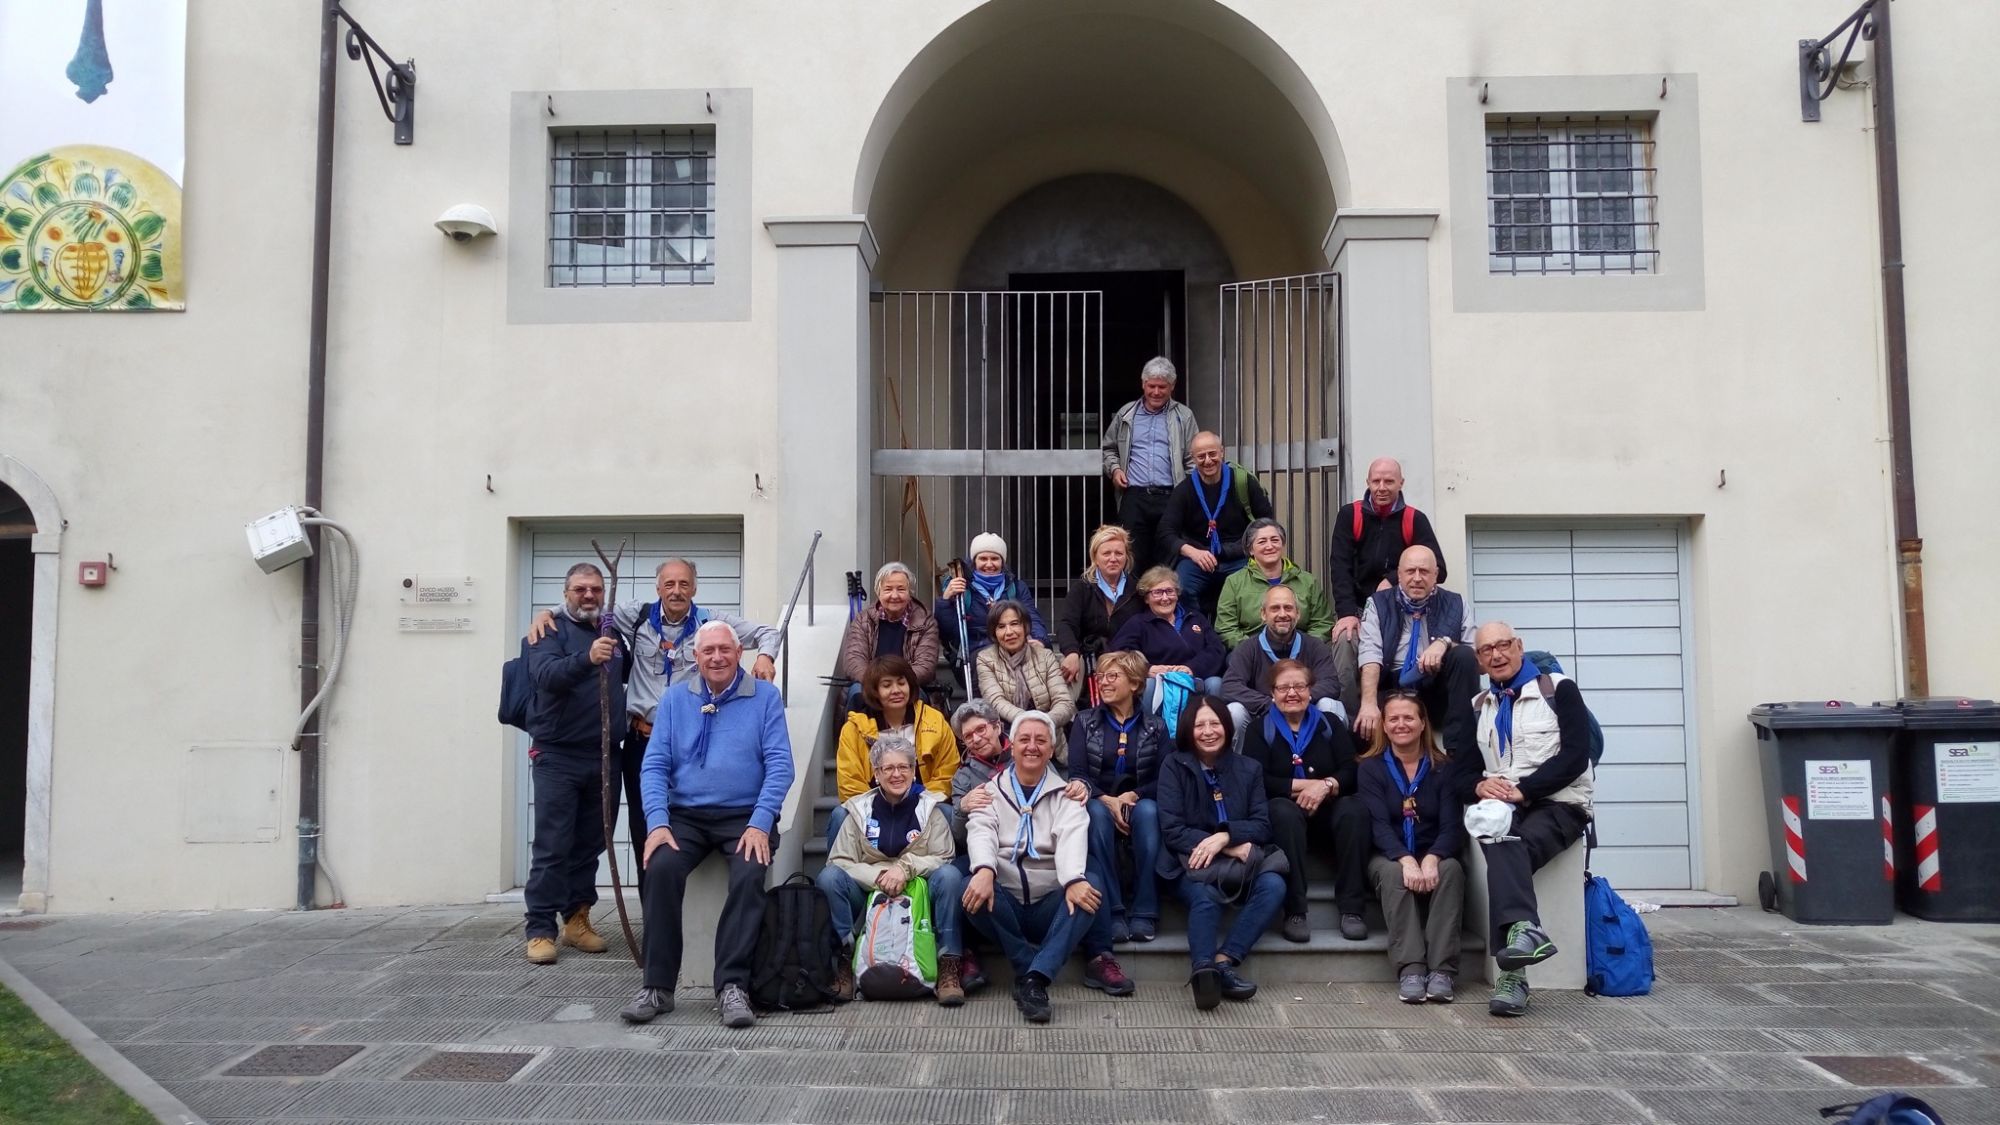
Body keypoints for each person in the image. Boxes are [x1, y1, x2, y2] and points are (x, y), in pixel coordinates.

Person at [527, 558, 779, 868]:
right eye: (669, 584)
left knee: (686, 821)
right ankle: (652, 910)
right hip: (642, 739)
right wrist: (548, 612)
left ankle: (686, 907)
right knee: (645, 825)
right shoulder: (635, 616)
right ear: (657, 587)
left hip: (689, 740)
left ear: (695, 588)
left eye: (684, 584)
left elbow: (769, 632)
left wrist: (766, 656)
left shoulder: (710, 621)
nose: (676, 591)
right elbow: (584, 604)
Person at [622, 622, 796, 1028]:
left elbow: (780, 766)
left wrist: (759, 822)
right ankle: (658, 986)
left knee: (750, 873)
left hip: (744, 815)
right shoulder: (675, 699)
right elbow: (654, 765)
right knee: (660, 868)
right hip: (685, 815)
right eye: (708, 651)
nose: (716, 657)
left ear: (739, 653)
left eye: (725, 650)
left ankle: (733, 986)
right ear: (695, 657)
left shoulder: (765, 697)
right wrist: (657, 823)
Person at [1460, 622, 1595, 1019]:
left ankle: (1512, 978)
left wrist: (1526, 790)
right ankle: (1524, 935)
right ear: (1479, 660)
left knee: (1507, 846)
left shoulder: (1558, 689)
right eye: (1487, 650)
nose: (1496, 655)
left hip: (1560, 804)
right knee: (1499, 839)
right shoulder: (1480, 705)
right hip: (1507, 807)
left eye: (1503, 645)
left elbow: (1575, 756)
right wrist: (1478, 788)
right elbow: (1464, 769)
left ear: (1520, 647)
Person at [962, 711, 1114, 1024]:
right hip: (1005, 904)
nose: (1032, 746)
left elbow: (1072, 838)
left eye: (1041, 740)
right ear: (1012, 745)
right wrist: (985, 870)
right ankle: (1030, 967)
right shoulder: (988, 793)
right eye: (1025, 739)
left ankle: (1034, 979)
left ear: (1051, 748)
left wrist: (1073, 880)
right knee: (967, 889)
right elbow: (981, 830)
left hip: (1050, 905)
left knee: (1090, 887)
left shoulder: (1068, 795)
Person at [521, 563, 627, 964]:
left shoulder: (612, 630)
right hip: (558, 755)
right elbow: (545, 675)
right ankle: (539, 929)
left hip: (603, 756)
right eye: (580, 589)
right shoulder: (548, 630)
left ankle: (577, 920)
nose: (589, 596)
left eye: (595, 589)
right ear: (565, 592)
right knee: (553, 845)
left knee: (591, 842)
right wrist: (586, 658)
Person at [817, 733, 967, 1006]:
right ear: (876, 774)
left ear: (913, 771)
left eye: (904, 767)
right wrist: (879, 877)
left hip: (920, 890)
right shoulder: (859, 810)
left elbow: (944, 857)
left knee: (951, 876)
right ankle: (844, 961)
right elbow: (838, 861)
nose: (897, 774)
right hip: (871, 892)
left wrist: (905, 869)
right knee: (828, 879)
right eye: (888, 768)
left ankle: (949, 965)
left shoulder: (930, 808)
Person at [1156, 695, 1286, 1010]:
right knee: (1205, 896)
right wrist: (1225, 843)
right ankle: (1203, 972)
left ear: (1227, 727)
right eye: (1200, 725)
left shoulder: (1249, 768)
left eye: (1215, 723)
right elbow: (1172, 829)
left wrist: (1225, 836)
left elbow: (1261, 824)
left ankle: (1224, 962)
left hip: (1238, 865)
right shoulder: (1174, 765)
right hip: (1188, 864)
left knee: (1274, 885)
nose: (1208, 731)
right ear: (1188, 730)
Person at [1244, 660, 1372, 943]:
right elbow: (1255, 779)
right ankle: (1295, 911)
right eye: (1284, 687)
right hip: (1285, 822)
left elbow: (1350, 770)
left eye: (1299, 686)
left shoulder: (1330, 724)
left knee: (1355, 810)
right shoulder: (1258, 729)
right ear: (1273, 693)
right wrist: (1306, 786)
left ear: (1310, 691)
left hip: (1328, 816)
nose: (1292, 693)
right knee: (1281, 810)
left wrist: (1326, 786)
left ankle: (1352, 909)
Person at [1357, 692, 1465, 1004]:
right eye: (1393, 718)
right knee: (1392, 874)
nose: (1401, 724)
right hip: (1388, 855)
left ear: (1422, 724)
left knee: (1452, 870)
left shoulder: (1443, 768)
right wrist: (1405, 859)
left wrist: (1432, 858)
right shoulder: (1370, 769)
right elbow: (1378, 825)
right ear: (1384, 726)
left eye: (1408, 718)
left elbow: (1451, 826)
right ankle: (1412, 968)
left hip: (1433, 850)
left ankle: (1442, 969)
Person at [1326, 459, 1447, 718]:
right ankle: (1350, 722)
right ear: (1367, 482)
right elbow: (1339, 567)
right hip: (1358, 610)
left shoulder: (1414, 519)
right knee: (1345, 647)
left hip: (1399, 611)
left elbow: (1439, 568)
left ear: (1401, 483)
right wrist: (1346, 613)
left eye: (1389, 481)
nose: (1382, 487)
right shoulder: (1351, 515)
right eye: (1376, 481)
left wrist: (1392, 580)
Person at [1068, 650, 1170, 943]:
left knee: (1150, 813)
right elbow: (1077, 774)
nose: (1103, 682)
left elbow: (1164, 778)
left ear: (1135, 684)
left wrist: (1134, 795)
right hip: (1098, 801)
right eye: (1101, 676)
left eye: (1113, 676)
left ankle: (1144, 911)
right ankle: (1112, 911)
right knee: (1096, 815)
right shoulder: (1084, 722)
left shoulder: (1156, 726)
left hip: (1140, 801)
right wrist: (1108, 800)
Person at [1353, 546, 1479, 760]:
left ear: (1436, 575)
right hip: (1394, 686)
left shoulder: (1457, 603)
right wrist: (1368, 703)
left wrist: (1445, 643)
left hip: (1436, 686)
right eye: (1411, 571)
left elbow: (1478, 658)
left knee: (1464, 655)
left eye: (1424, 571)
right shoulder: (1377, 603)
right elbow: (1370, 653)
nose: (1417, 578)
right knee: (1361, 725)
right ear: (1399, 575)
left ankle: (1458, 752)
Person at [831, 656, 959, 846]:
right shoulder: (854, 729)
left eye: (901, 683)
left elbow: (947, 771)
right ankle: (842, 870)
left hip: (923, 804)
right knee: (839, 815)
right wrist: (879, 807)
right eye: (887, 685)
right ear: (875, 691)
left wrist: (919, 801)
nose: (896, 690)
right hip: (873, 809)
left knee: (947, 813)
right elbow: (850, 783)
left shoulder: (935, 720)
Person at [1157, 432, 1275, 618]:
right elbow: (1165, 531)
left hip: (1240, 556)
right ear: (1193, 458)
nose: (1208, 461)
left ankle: (1241, 638)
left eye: (1212, 454)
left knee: (1254, 591)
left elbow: (1266, 522)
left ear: (1222, 452)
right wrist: (1193, 552)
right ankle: (1199, 633)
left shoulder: (1243, 482)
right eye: (1201, 456)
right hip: (1198, 559)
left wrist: (1243, 548)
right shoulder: (1184, 490)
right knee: (1182, 588)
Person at [1100, 356, 1199, 575]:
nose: (1156, 392)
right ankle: (1133, 606)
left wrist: (1189, 494)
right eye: (1151, 386)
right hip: (1134, 496)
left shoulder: (1184, 416)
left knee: (1169, 555)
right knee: (1132, 556)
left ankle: (1166, 605)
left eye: (1162, 387)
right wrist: (1115, 469)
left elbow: (1193, 459)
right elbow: (1109, 449)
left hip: (1172, 495)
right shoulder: (1126, 414)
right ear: (1143, 384)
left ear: (1172, 386)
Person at [1221, 584, 1346, 732]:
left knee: (1330, 706)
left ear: (1298, 614)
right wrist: (1270, 703)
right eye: (1275, 608)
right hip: (1263, 719)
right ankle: (1244, 756)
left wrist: (1296, 699)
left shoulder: (1314, 646)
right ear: (1263, 614)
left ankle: (1326, 755)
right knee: (1234, 711)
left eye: (1288, 608)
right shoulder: (1248, 648)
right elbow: (1230, 686)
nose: (1282, 614)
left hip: (1306, 716)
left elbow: (1331, 684)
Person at [1110, 567, 1227, 712]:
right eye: (1157, 592)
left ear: (1177, 594)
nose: (1165, 598)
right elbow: (1120, 652)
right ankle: (1148, 731)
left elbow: (1216, 649)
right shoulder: (1139, 623)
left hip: (1194, 679)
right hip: (1160, 682)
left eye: (1169, 591)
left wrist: (1191, 668)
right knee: (1148, 685)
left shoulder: (1195, 618)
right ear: (1147, 598)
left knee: (1216, 683)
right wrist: (1147, 669)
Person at [976, 601, 1077, 765]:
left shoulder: (1045, 656)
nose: (1009, 632)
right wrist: (1029, 722)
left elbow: (1064, 702)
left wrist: (1043, 723)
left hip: (1049, 737)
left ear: (1026, 627)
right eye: (1001, 627)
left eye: (1014, 624)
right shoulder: (985, 659)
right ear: (994, 632)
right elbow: (995, 700)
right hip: (1009, 740)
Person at [1214, 518, 1334, 648]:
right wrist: (1255, 649)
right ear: (1251, 550)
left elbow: (1322, 623)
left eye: (1275, 540)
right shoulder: (1234, 582)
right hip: (1252, 652)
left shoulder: (1307, 581)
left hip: (1301, 651)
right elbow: (1226, 629)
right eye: (1262, 542)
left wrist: (1304, 647)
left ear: (1282, 544)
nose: (1270, 546)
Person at [935, 533, 1049, 666]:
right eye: (983, 558)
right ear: (974, 561)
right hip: (974, 653)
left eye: (994, 558)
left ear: (1002, 562)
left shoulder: (1016, 587)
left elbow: (1032, 618)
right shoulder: (961, 587)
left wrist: (1039, 640)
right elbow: (948, 632)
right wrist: (946, 599)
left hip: (1012, 647)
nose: (989, 564)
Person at [1056, 525, 1145, 692]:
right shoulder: (1082, 589)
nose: (1113, 558)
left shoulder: (1138, 590)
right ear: (1095, 558)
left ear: (1127, 557)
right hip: (1091, 659)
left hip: (1128, 660)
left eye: (1119, 553)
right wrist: (1071, 652)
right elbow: (1066, 624)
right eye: (1106, 553)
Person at [840, 561, 942, 697]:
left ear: (910, 592)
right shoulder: (862, 620)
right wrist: (878, 683)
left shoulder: (926, 621)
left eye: (901, 589)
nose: (894, 596)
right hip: (870, 683)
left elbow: (925, 666)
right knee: (857, 694)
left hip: (909, 685)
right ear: (878, 592)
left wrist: (896, 685)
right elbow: (853, 660)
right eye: (888, 589)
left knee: (918, 697)